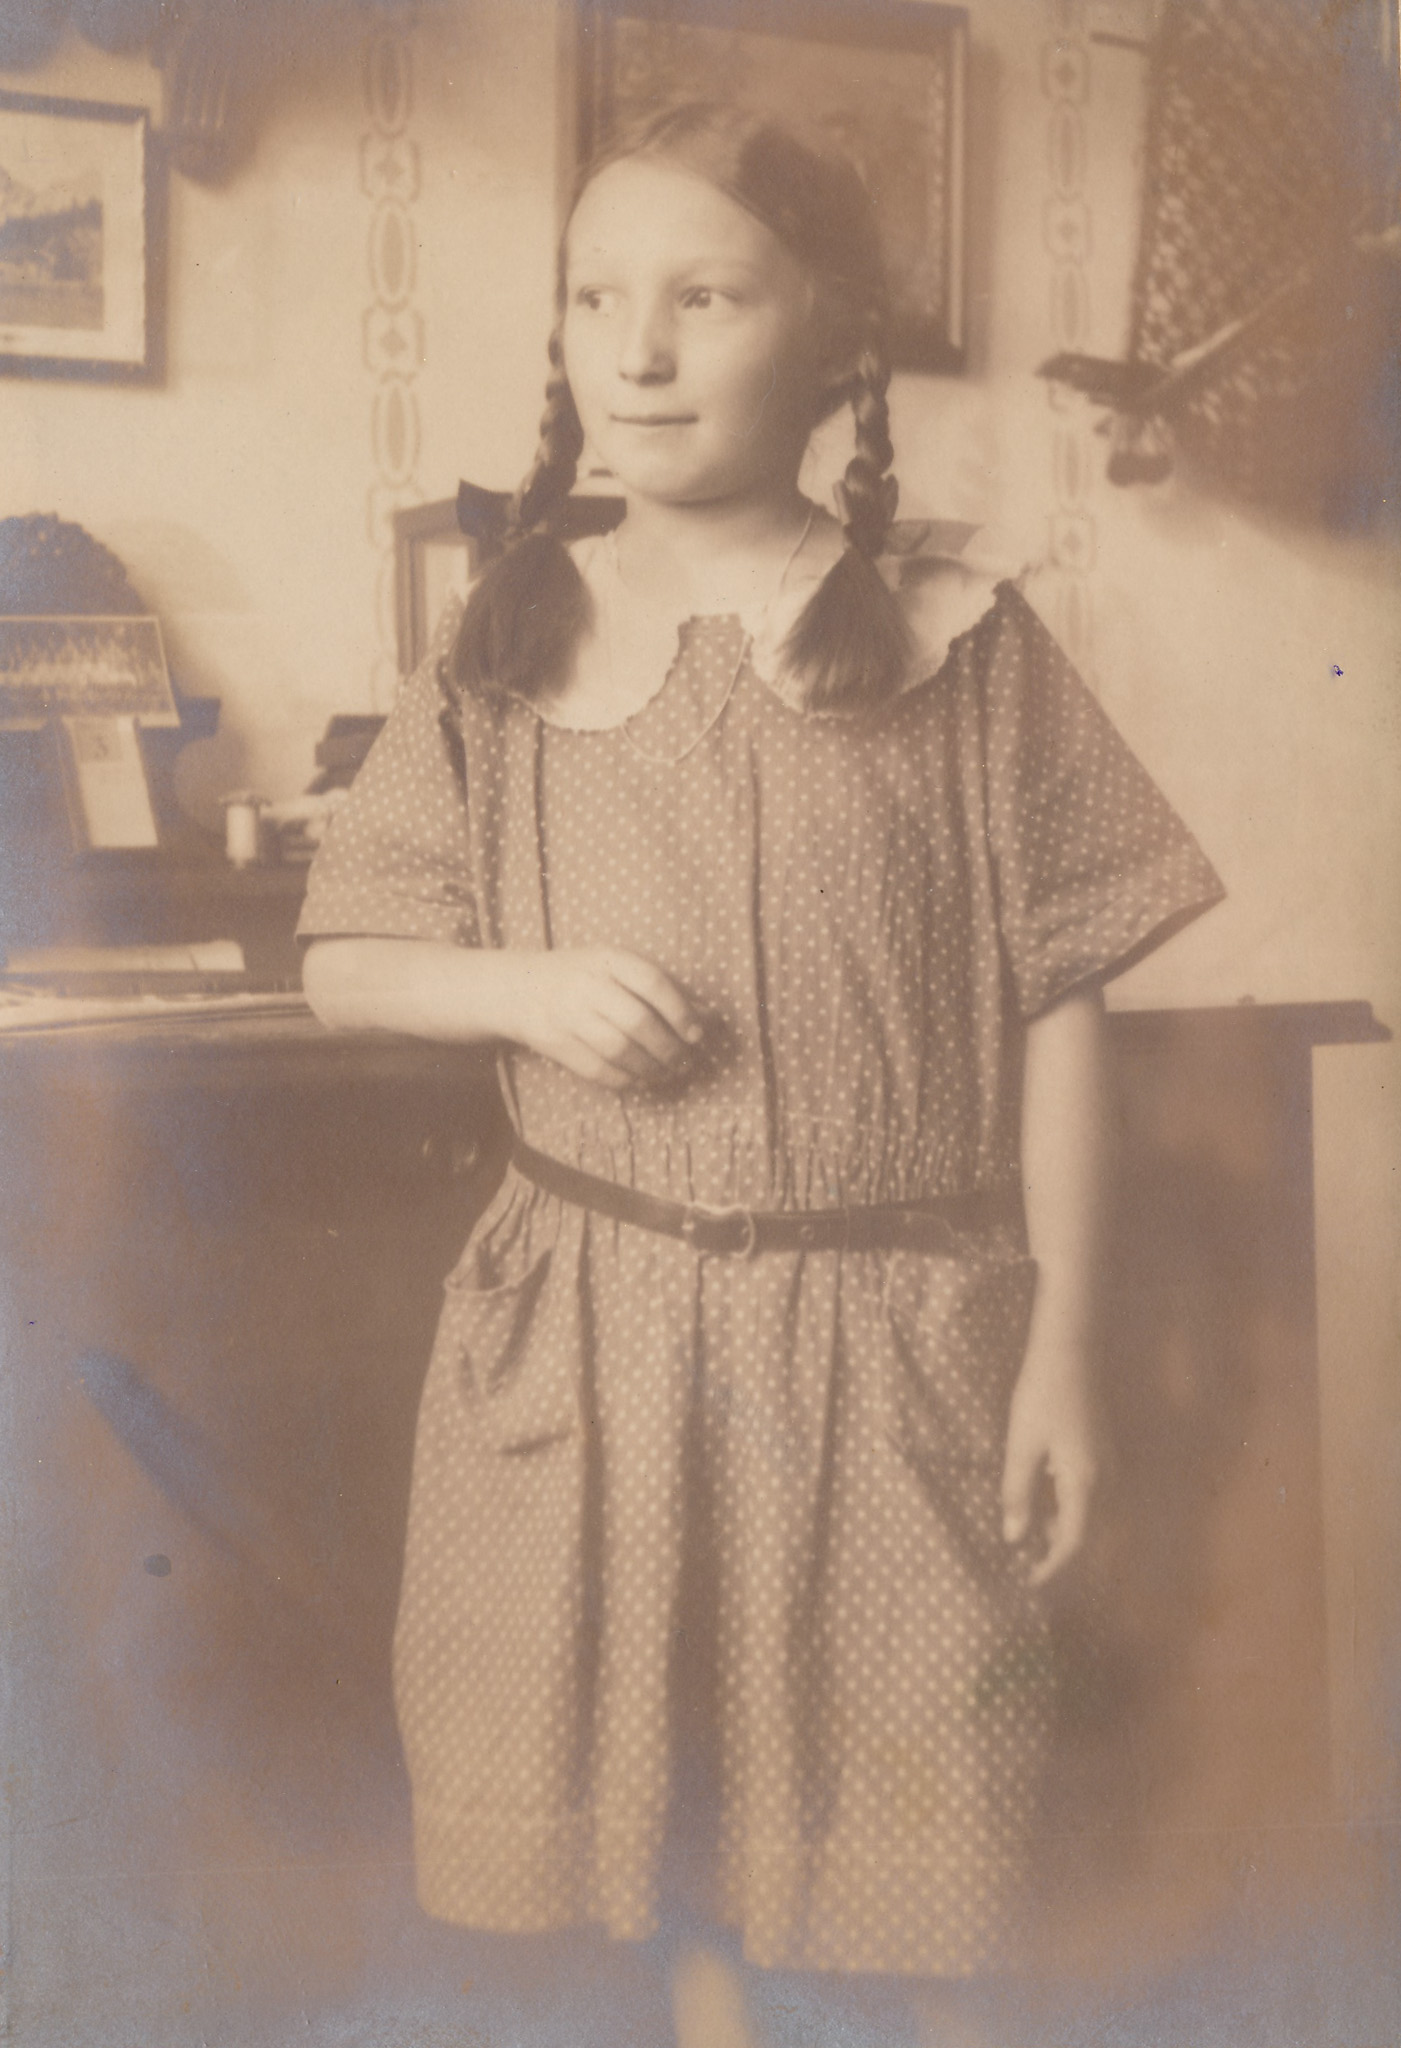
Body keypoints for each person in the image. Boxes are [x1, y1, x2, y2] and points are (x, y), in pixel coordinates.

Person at [299, 101, 1224, 2046]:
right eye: (595, 298)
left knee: (911, 1867)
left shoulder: (959, 640)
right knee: (677, 1870)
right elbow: (346, 960)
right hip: (592, 1338)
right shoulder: (503, 641)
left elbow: (1062, 999)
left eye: (703, 299)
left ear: (829, 336)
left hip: (891, 1348)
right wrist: (517, 986)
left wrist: (1060, 1355)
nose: (635, 352)